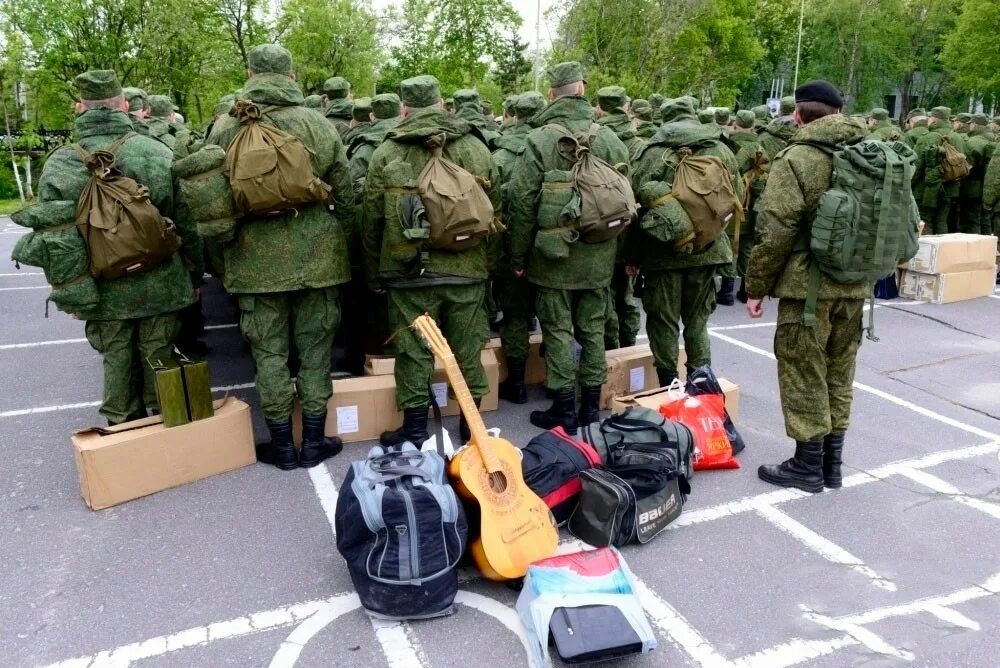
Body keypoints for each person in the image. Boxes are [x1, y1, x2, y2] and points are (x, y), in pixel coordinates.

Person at [207, 44, 354, 470]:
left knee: (268, 356)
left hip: (253, 263)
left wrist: (223, 259)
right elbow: (344, 194)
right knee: (315, 353)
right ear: (291, 77)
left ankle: (282, 448)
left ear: (250, 73)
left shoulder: (224, 128)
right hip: (318, 260)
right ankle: (312, 442)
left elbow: (211, 207)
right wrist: (338, 246)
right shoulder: (318, 123)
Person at [31, 70, 200, 425]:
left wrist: (71, 290)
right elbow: (185, 220)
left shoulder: (60, 163)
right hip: (161, 279)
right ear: (124, 105)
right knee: (160, 354)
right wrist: (195, 273)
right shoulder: (155, 151)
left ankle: (123, 438)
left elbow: (56, 240)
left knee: (116, 359)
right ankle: (170, 429)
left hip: (102, 287)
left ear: (80, 107)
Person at [745, 80, 873, 494]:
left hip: (808, 288)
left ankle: (807, 465)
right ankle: (832, 464)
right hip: (856, 285)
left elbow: (776, 230)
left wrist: (756, 286)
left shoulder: (797, 157)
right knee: (839, 373)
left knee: (803, 371)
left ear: (799, 115)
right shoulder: (872, 152)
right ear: (839, 112)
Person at [363, 75, 500, 446]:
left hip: (409, 272)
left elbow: (373, 216)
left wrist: (376, 272)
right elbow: (496, 208)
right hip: (467, 266)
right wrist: (488, 263)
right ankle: (472, 428)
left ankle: (413, 429)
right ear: (442, 103)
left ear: (404, 109)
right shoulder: (474, 146)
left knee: (413, 350)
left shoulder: (387, 150)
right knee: (468, 347)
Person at [508, 61, 629, 431]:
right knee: (592, 330)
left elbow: (522, 202)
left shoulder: (540, 139)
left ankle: (563, 407)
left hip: (552, 258)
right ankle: (591, 406)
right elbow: (625, 201)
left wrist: (518, 256)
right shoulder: (610, 139)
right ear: (582, 90)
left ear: (551, 95)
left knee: (557, 330)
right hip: (598, 256)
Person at [628, 97, 741, 387]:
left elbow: (636, 205)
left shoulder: (651, 152)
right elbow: (736, 196)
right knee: (697, 321)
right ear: (693, 115)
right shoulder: (721, 149)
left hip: (662, 253)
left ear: (664, 120)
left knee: (663, 321)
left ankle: (669, 384)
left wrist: (632, 256)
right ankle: (701, 381)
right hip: (709, 249)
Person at [492, 92, 545, 404]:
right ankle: (557, 383)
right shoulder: (559, 148)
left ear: (511, 113)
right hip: (559, 248)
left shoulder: (499, 156)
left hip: (511, 247)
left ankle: (518, 383)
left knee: (514, 317)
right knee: (557, 318)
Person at [594, 85, 642, 350]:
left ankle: (610, 349)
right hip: (630, 231)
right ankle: (629, 347)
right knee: (626, 294)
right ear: (626, 107)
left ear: (600, 108)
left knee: (605, 295)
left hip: (600, 230)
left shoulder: (594, 140)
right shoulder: (639, 144)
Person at [724, 109, 769, 304]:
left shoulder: (730, 147)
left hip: (731, 204)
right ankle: (745, 291)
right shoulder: (761, 147)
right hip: (752, 206)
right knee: (747, 249)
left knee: (729, 246)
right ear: (753, 125)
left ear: (735, 125)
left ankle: (726, 291)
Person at [913, 106, 968, 234]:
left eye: (930, 117)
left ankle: (927, 252)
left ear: (935, 120)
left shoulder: (927, 138)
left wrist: (909, 185)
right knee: (942, 221)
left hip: (926, 189)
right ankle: (943, 252)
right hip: (950, 188)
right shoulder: (957, 137)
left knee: (925, 221)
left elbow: (916, 166)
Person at [958, 113, 995, 234]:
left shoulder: (973, 142)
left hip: (972, 186)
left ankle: (975, 247)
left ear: (975, 124)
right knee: (986, 218)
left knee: (972, 219)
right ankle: (988, 245)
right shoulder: (994, 138)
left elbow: (967, 166)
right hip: (989, 186)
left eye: (970, 124)